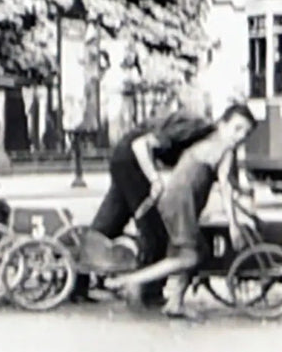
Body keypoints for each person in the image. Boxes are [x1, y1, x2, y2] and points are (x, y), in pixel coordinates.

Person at [104, 103, 258, 320]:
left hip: (175, 202)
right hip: (180, 204)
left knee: (199, 250)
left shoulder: (207, 142)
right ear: (222, 124)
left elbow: (225, 187)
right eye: (237, 128)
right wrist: (234, 225)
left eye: (246, 133)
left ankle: (175, 302)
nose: (240, 136)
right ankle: (129, 281)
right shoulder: (224, 149)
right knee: (187, 257)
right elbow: (226, 189)